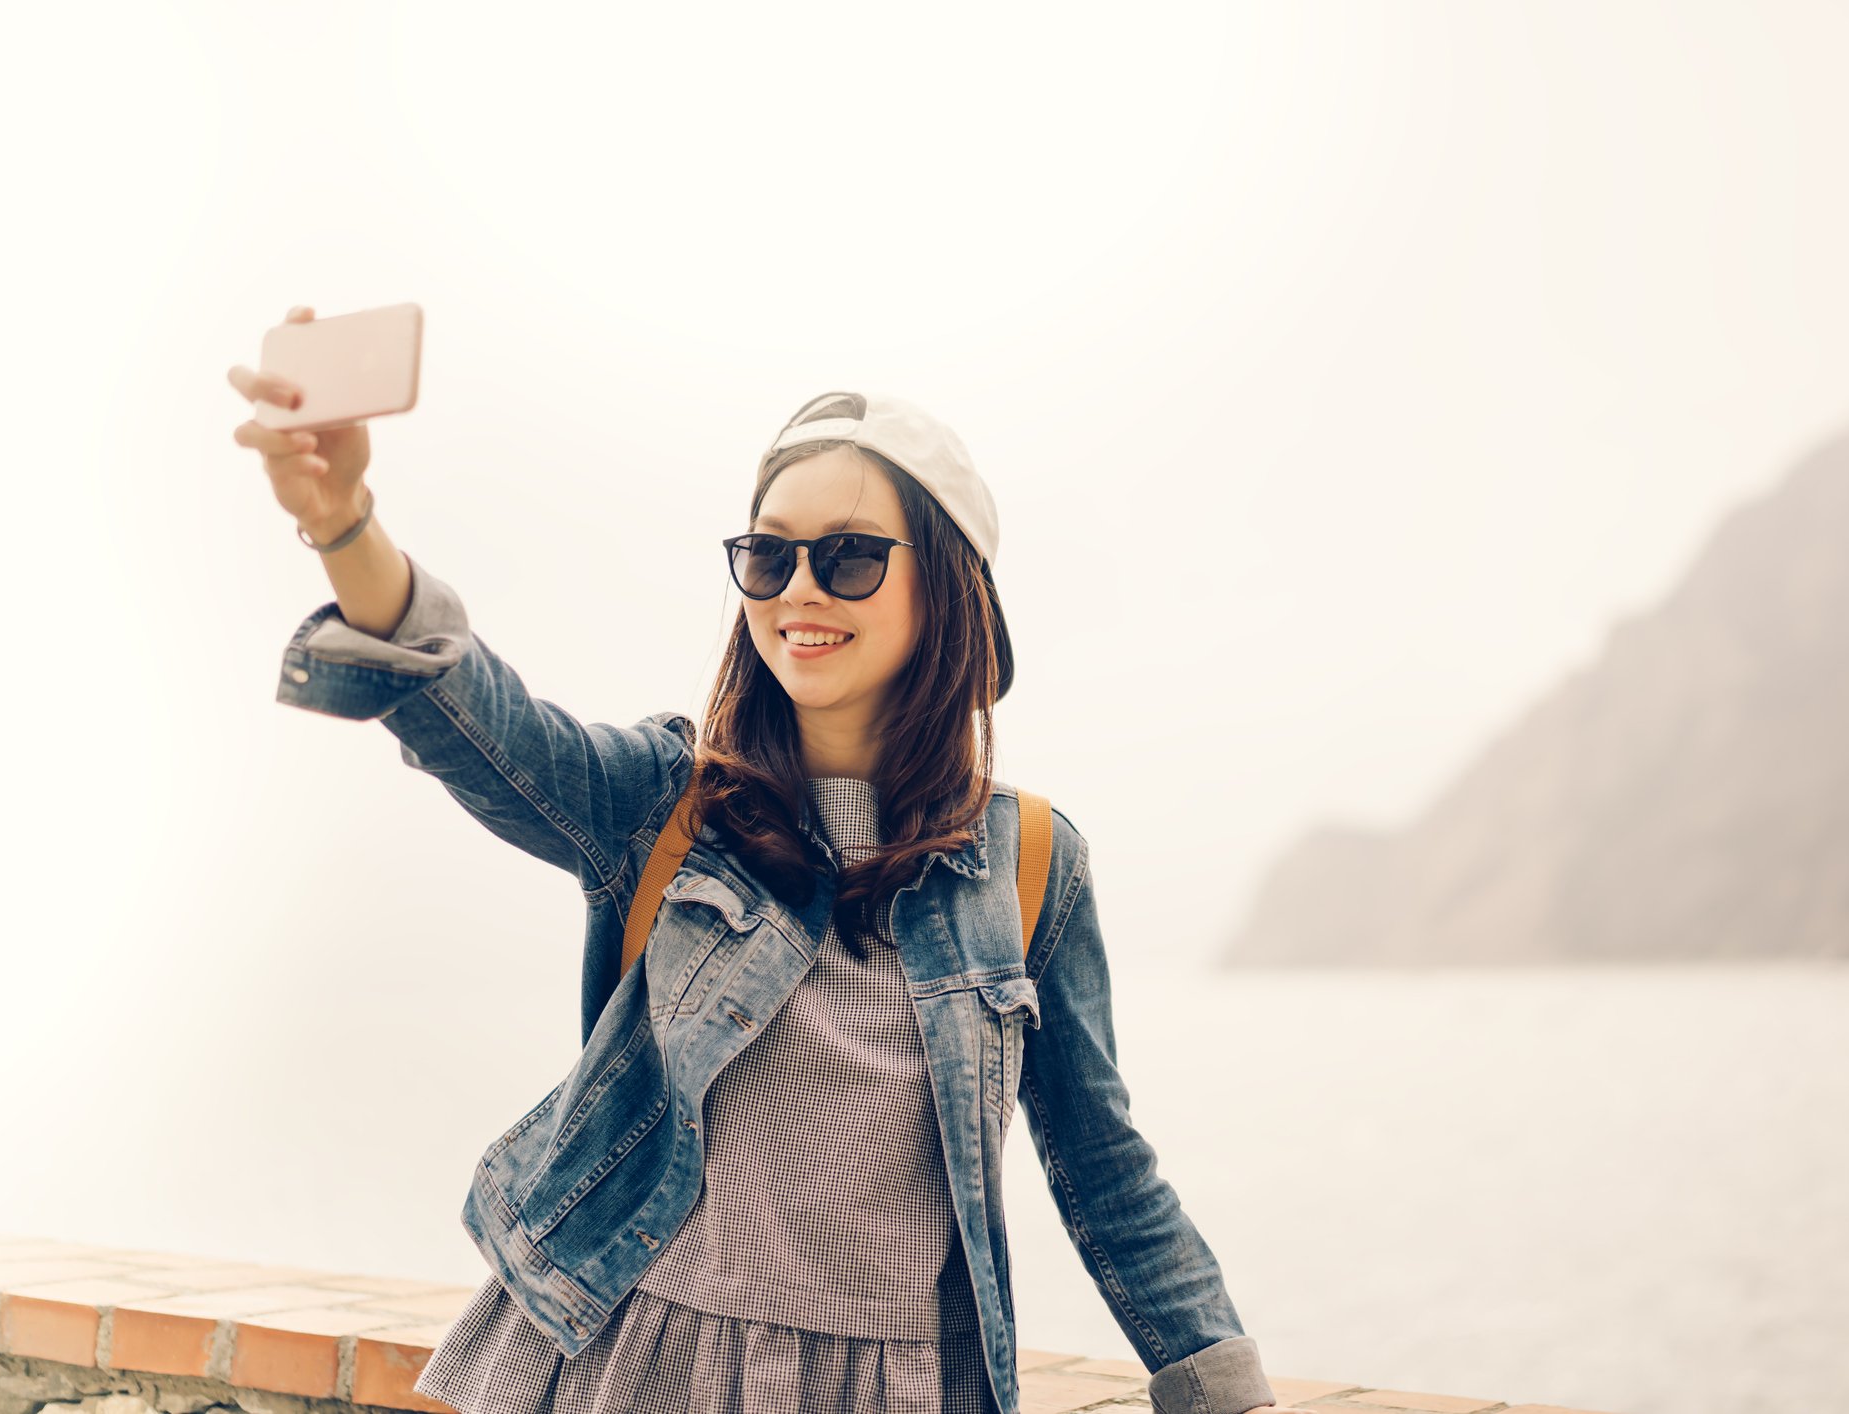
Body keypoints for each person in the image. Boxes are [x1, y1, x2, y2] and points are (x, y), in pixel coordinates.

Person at [229, 305, 1301, 1414]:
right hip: (633, 1368)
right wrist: (344, 520)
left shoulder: (1028, 863)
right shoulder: (667, 806)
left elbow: (1106, 1175)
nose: (797, 589)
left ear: (946, 584)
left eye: (846, 558)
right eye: (768, 554)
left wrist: (1227, 1392)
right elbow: (480, 719)